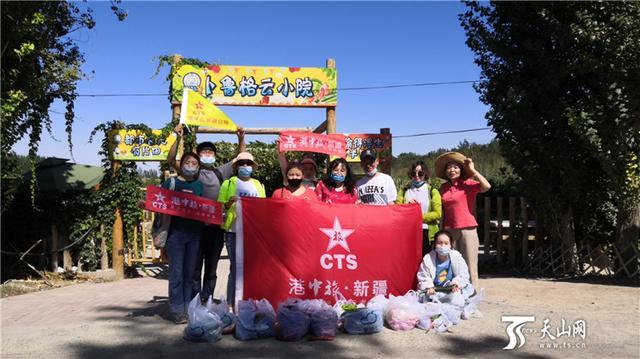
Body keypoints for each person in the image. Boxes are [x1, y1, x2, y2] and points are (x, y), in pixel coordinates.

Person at [167, 124, 246, 304]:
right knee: (195, 269)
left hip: (216, 229)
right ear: (198, 155)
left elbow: (240, 158)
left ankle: (208, 298)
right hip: (195, 229)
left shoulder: (221, 171)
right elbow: (171, 160)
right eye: (204, 151)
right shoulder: (192, 172)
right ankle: (195, 301)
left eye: (211, 152)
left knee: (212, 268)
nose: (208, 154)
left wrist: (241, 139)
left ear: (215, 156)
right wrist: (177, 137)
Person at [435, 151, 491, 289]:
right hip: (449, 231)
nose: (452, 170)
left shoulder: (468, 184)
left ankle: (473, 298)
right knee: (453, 265)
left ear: (461, 170)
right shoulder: (443, 188)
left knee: (470, 266)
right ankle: (456, 298)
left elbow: (486, 186)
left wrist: (473, 170)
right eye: (449, 167)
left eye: (455, 167)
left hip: (468, 229)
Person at [217, 152, 266, 307]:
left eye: (248, 164)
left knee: (252, 268)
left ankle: (249, 301)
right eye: (242, 163)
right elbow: (219, 207)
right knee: (235, 268)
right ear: (236, 166)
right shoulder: (229, 183)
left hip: (252, 234)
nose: (245, 166)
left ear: (253, 167)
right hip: (233, 232)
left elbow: (263, 207)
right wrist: (227, 203)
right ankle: (232, 303)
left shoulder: (258, 185)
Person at [162, 152, 204, 324]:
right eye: (188, 162)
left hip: (194, 234)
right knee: (176, 274)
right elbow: (160, 204)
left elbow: (202, 207)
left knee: (189, 274)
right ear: (182, 163)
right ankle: (177, 310)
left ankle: (188, 308)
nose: (191, 165)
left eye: (195, 163)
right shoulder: (171, 182)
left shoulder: (199, 185)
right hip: (175, 234)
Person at [396, 161, 442, 257]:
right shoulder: (404, 190)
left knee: (426, 261)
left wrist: (418, 217)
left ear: (425, 174)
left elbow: (437, 213)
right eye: (414, 173)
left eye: (420, 173)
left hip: (426, 232)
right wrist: (408, 206)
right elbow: (398, 209)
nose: (417, 176)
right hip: (408, 231)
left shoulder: (432, 191)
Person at [416, 230, 472, 298]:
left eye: (446, 243)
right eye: (439, 243)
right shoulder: (428, 258)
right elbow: (424, 276)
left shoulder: (456, 256)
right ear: (435, 244)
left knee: (456, 300)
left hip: (452, 290)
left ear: (451, 245)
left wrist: (456, 284)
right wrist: (429, 287)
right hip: (434, 291)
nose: (443, 246)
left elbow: (463, 274)